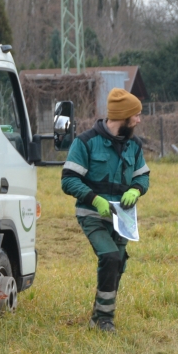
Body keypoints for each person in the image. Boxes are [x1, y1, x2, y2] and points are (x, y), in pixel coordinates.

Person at [60, 88, 149, 332]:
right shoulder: (85, 142)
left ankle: (98, 317)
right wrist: (95, 199)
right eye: (136, 115)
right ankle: (105, 320)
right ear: (124, 116)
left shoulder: (134, 145)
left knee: (118, 261)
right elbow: (68, 179)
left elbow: (143, 178)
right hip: (92, 214)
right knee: (109, 256)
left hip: (123, 216)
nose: (139, 120)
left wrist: (136, 191)